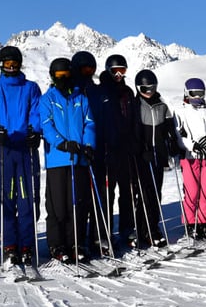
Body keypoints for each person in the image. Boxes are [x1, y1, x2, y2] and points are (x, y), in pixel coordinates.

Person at [0, 46, 42, 268]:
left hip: (25, 149)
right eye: (7, 63)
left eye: (15, 63)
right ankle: (9, 244)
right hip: (2, 150)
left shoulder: (31, 88)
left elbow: (36, 111)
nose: (11, 66)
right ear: (1, 64)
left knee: (26, 198)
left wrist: (35, 131)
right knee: (5, 197)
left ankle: (26, 244)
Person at [39, 57, 96, 263]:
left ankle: (76, 243)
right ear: (53, 77)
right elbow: (46, 125)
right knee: (58, 206)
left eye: (67, 75)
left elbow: (89, 123)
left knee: (78, 204)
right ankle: (57, 244)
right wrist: (61, 143)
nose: (63, 79)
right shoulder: (48, 99)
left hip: (79, 158)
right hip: (57, 160)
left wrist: (88, 145)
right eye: (59, 76)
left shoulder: (81, 98)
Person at [71, 51, 113, 255]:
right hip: (79, 151)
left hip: (99, 148)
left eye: (91, 69)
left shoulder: (98, 91)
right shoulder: (72, 92)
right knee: (80, 197)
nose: (88, 72)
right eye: (84, 69)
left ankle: (100, 235)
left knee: (100, 195)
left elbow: (106, 119)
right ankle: (79, 239)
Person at [131, 69, 178, 248]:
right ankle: (140, 229)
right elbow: (133, 133)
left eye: (152, 87)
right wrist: (142, 150)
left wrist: (172, 144)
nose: (149, 91)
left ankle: (153, 229)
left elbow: (169, 128)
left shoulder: (162, 106)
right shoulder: (135, 105)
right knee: (143, 194)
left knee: (156, 194)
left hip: (158, 157)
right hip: (142, 158)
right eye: (145, 88)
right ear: (138, 87)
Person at [174, 78, 206, 240]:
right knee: (192, 192)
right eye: (194, 94)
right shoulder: (180, 111)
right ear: (187, 93)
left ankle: (203, 223)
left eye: (201, 94)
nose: (198, 97)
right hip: (190, 157)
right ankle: (190, 223)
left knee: (205, 191)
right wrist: (192, 145)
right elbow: (178, 135)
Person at [98, 54, 138, 248]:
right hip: (107, 149)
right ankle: (105, 233)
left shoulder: (128, 93)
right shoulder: (102, 91)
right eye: (116, 71)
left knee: (127, 192)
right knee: (108, 193)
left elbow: (133, 120)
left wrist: (134, 141)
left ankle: (127, 230)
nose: (119, 75)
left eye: (123, 71)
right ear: (108, 70)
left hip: (125, 149)